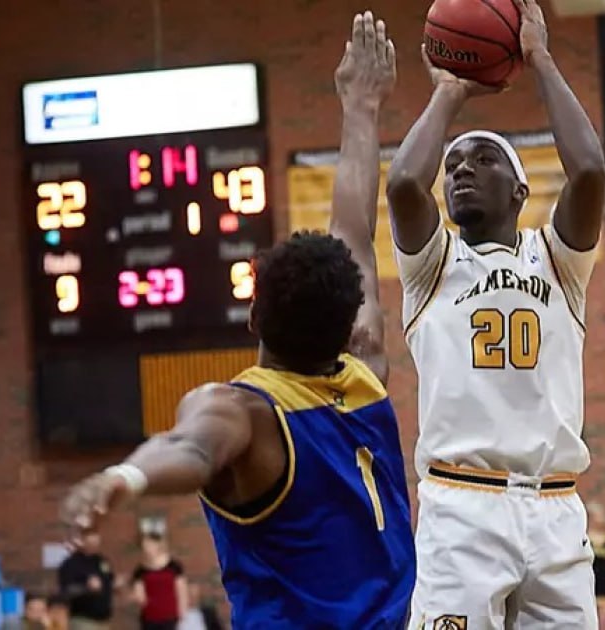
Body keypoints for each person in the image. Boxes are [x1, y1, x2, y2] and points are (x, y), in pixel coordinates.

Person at [59, 12, 415, 628]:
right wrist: (361, 106)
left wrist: (125, 475)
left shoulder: (245, 410)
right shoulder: (368, 366)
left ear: (253, 315)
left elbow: (190, 447)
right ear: (349, 324)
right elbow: (354, 226)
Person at [385, 0, 605, 626]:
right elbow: (404, 184)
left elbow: (588, 170)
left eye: (483, 161)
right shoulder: (433, 265)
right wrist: (449, 94)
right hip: (462, 506)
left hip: (555, 508)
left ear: (519, 190)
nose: (460, 171)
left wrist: (539, 59)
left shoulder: (558, 261)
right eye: (453, 165)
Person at [57, 532, 113, 630]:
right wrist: (87, 588)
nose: (94, 546)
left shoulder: (102, 561)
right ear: (83, 541)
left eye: (96, 542)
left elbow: (108, 581)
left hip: (104, 620)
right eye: (91, 542)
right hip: (83, 619)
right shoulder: (71, 563)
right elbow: (65, 590)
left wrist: (117, 585)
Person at [131, 532, 187, 630]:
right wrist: (137, 596)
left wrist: (182, 611)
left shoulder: (174, 566)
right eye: (144, 546)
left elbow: (181, 591)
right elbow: (140, 595)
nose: (146, 548)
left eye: (149, 545)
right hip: (150, 618)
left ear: (158, 545)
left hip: (170, 617)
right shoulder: (140, 570)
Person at [587, 503, 605, 630]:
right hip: (589, 588)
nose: (603, 518)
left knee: (604, 624)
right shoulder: (584, 538)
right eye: (600, 515)